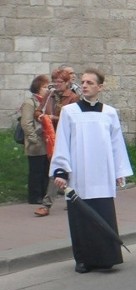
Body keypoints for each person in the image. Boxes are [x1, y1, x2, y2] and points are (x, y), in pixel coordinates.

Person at [49, 69, 133, 272]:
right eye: (83, 82)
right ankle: (84, 259)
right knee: (81, 219)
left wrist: (119, 171)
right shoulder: (70, 112)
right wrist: (61, 172)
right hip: (79, 175)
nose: (85, 85)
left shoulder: (109, 113)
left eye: (90, 82)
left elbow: (116, 144)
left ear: (100, 87)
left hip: (103, 175)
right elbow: (62, 143)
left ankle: (107, 258)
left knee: (103, 216)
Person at [34, 67, 79, 217]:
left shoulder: (73, 98)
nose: (57, 84)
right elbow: (38, 111)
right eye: (55, 81)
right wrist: (42, 117)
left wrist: (56, 119)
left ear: (67, 83)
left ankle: (50, 204)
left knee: (65, 169)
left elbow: (75, 120)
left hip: (68, 138)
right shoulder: (49, 95)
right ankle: (58, 201)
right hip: (51, 137)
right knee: (57, 168)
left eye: (60, 82)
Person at [21, 75, 51, 204]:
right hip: (36, 142)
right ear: (38, 88)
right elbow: (26, 123)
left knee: (45, 170)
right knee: (36, 171)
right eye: (44, 87)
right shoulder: (30, 102)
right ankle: (34, 197)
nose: (47, 89)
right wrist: (34, 139)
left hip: (47, 141)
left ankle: (44, 194)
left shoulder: (47, 101)